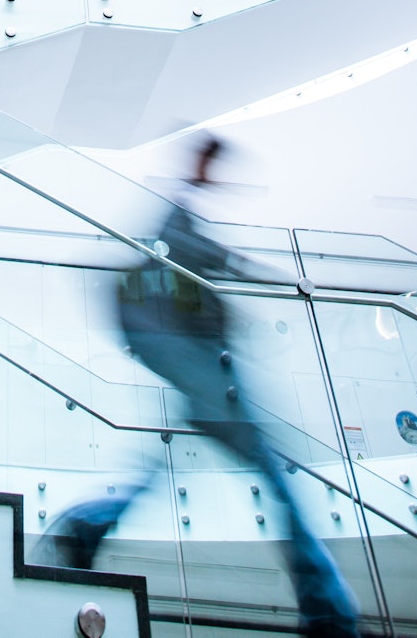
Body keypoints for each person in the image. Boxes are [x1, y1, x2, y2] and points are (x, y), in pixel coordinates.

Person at [40, 137, 361, 638]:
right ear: (200, 163)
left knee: (173, 467)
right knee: (278, 478)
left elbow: (195, 268)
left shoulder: (179, 220)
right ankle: (328, 611)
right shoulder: (176, 220)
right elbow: (189, 259)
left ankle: (87, 527)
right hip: (209, 371)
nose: (215, 173)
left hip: (203, 369)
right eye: (210, 164)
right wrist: (246, 275)